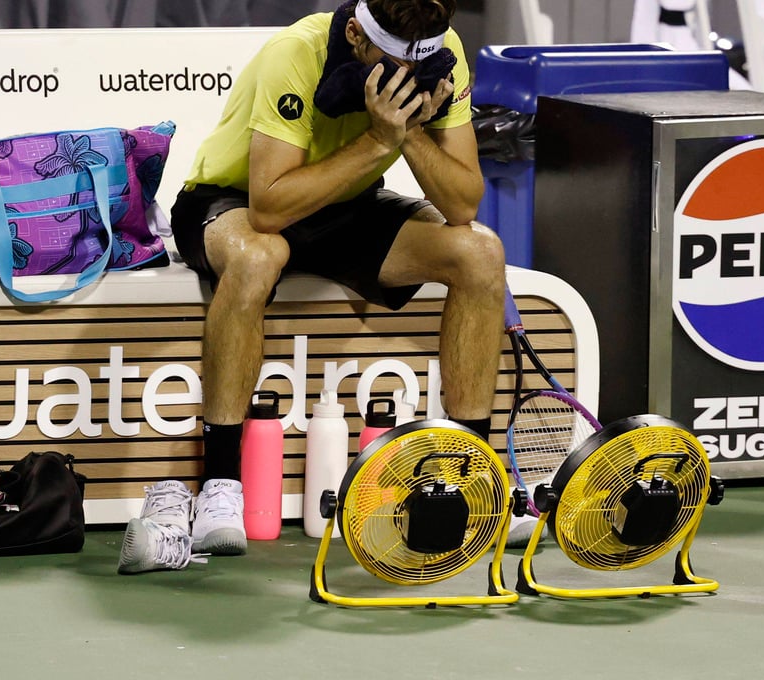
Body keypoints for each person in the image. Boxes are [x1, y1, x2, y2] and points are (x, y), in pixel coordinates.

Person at [117, 0, 506, 574]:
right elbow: (270, 208)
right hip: (234, 198)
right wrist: (379, 141)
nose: (406, 77)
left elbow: (463, 204)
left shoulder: (443, 55)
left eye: (417, 66)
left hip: (347, 201)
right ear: (356, 35)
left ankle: (468, 483)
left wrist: (409, 133)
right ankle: (221, 484)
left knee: (480, 253)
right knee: (259, 256)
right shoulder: (295, 54)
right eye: (394, 62)